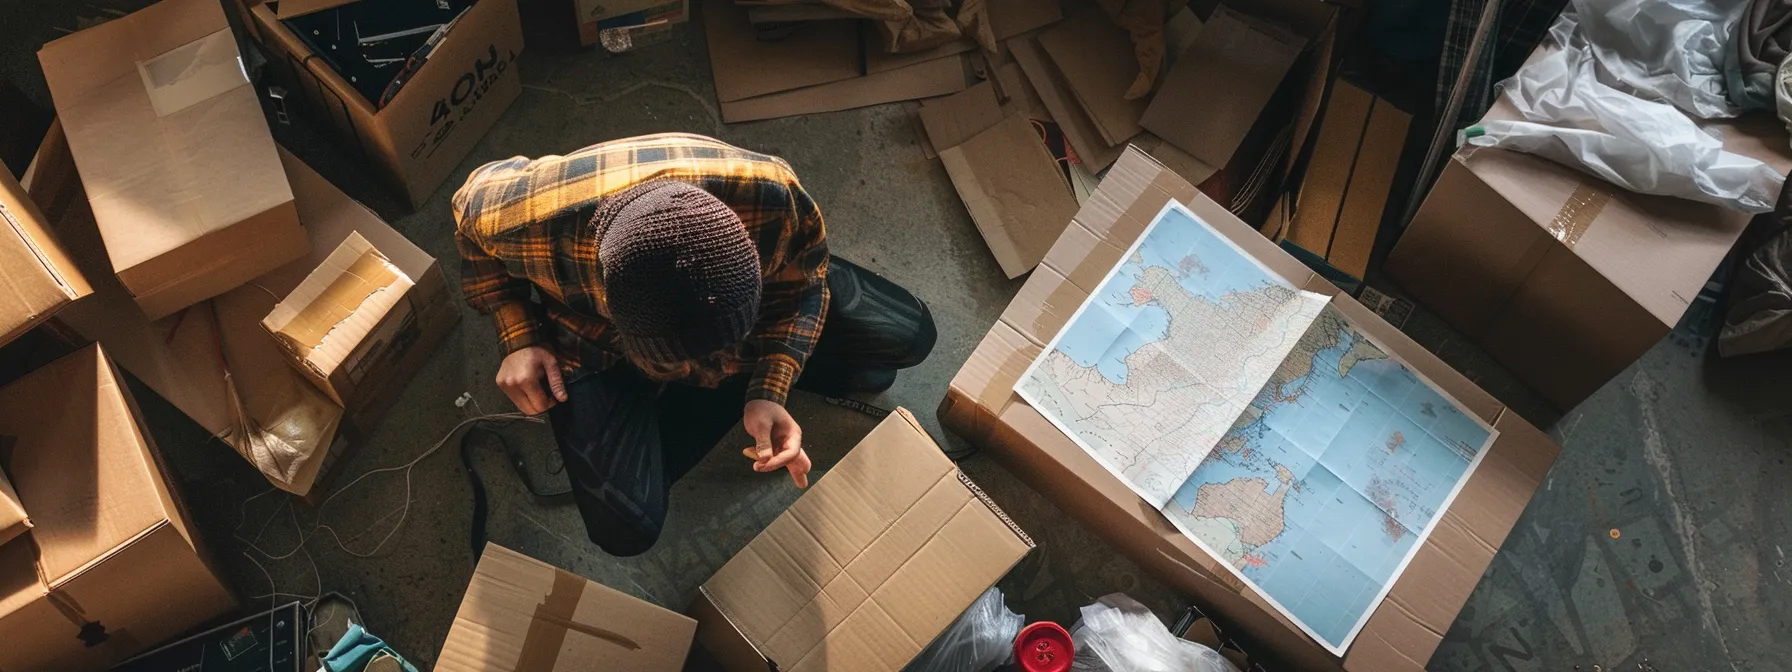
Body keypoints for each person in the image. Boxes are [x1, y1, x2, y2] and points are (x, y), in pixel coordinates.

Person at [453, 133, 936, 556]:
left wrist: (768, 387)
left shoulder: (770, 194)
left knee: (911, 337)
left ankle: (746, 380)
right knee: (624, 527)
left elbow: (804, 288)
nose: (719, 367)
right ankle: (731, 389)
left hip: (739, 286)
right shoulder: (523, 217)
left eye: (731, 349)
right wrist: (517, 332)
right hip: (589, 336)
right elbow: (466, 207)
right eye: (688, 364)